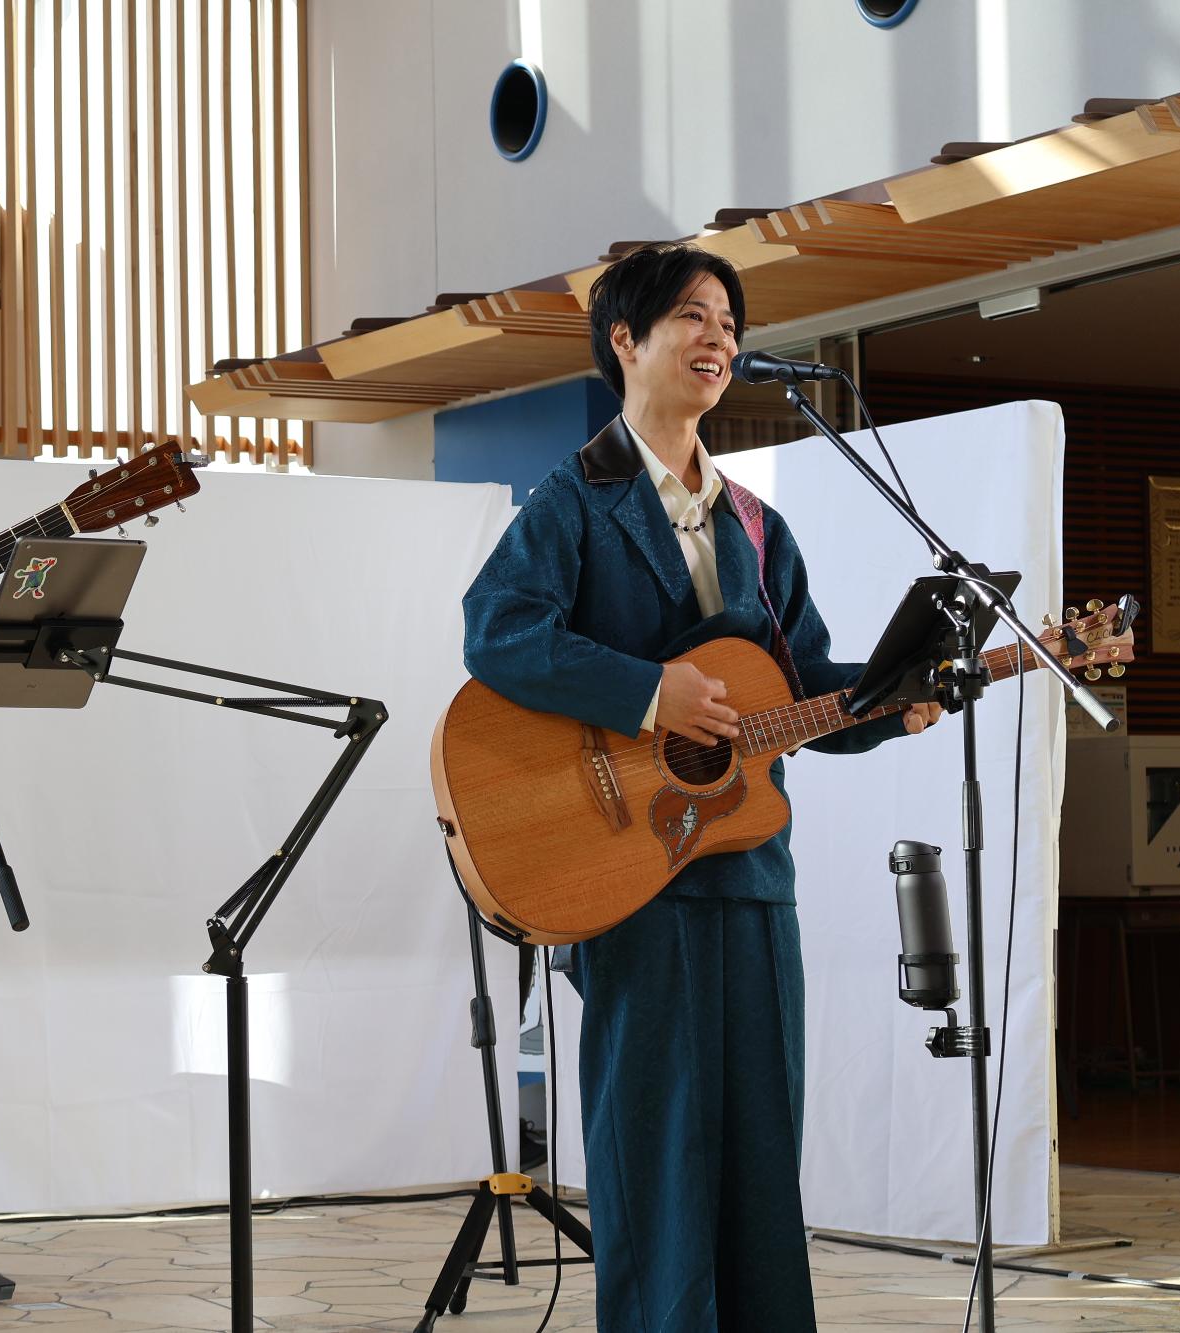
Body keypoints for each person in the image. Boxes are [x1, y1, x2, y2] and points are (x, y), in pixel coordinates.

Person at [461, 241, 941, 1332]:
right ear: (623, 341)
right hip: (630, 878)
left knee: (761, 1167)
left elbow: (798, 698)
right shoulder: (571, 504)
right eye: (690, 314)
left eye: (728, 318)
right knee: (658, 1163)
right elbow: (497, 636)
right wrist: (646, 695)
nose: (718, 335)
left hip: (752, 883)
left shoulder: (760, 528)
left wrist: (892, 702)